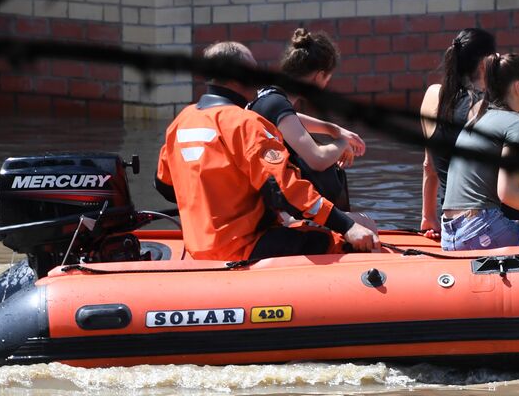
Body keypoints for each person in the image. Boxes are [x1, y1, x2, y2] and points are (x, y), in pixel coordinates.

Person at [155, 41, 378, 261]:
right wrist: (347, 226)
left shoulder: (182, 120)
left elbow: (165, 186)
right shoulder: (246, 124)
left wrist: (218, 198)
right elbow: (286, 190)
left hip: (199, 246)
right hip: (245, 246)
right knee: (332, 241)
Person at [439, 52, 519, 251]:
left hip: (448, 234)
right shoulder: (517, 123)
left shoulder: (477, 119)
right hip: (480, 229)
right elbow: (508, 193)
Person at [247, 28, 365, 210]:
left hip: (257, 202)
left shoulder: (267, 96)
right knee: (365, 224)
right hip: (270, 215)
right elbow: (317, 160)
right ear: (319, 76)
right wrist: (342, 143)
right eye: (327, 79)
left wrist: (334, 129)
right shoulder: (277, 104)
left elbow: (287, 118)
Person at [420, 28, 496, 239]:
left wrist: (428, 217)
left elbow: (429, 166)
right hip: (485, 225)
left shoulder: (433, 95)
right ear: (484, 64)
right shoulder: (487, 106)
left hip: (450, 225)